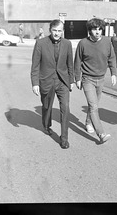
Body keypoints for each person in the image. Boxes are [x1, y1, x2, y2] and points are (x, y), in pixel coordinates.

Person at [31, 19, 74, 149]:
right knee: (46, 107)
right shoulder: (40, 43)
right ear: (50, 30)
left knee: (65, 108)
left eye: (59, 31)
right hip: (46, 80)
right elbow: (35, 65)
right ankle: (46, 125)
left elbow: (69, 64)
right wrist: (35, 83)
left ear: (63, 31)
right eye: (54, 30)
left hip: (62, 81)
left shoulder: (67, 43)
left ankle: (64, 138)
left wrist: (71, 80)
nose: (57, 33)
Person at [74, 17, 117, 144]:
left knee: (94, 105)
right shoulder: (83, 43)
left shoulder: (107, 42)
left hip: (101, 79)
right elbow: (77, 62)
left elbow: (112, 58)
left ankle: (88, 122)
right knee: (93, 106)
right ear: (89, 31)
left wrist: (113, 73)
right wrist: (77, 78)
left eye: (99, 29)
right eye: (94, 29)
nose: (98, 32)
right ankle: (101, 134)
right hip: (87, 79)